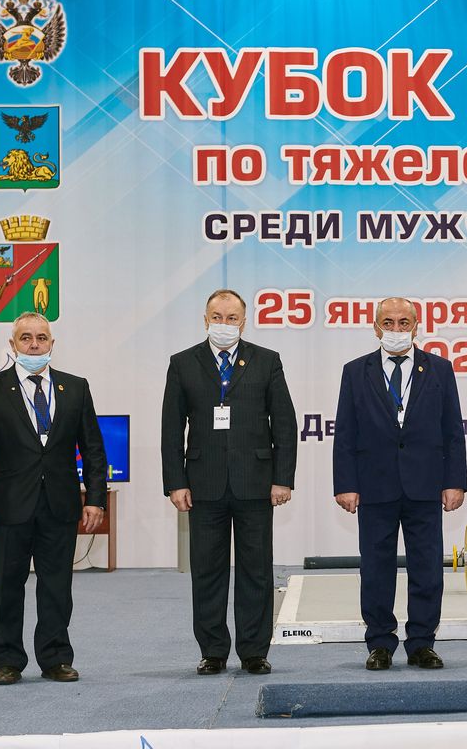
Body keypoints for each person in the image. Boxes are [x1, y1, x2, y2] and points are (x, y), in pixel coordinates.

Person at [0, 311, 107, 686]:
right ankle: (6, 660)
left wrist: (96, 499)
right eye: (26, 338)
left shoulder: (76, 388)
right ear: (13, 344)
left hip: (60, 505)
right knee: (7, 586)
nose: (34, 344)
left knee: (57, 587)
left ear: (52, 344)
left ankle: (56, 658)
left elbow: (93, 449)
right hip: (7, 508)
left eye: (41, 338)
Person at [161, 289, 298, 676]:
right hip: (202, 485)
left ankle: (254, 651)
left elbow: (284, 424)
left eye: (232, 317)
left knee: (257, 570)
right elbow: (171, 428)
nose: (224, 323)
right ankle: (213, 651)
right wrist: (175, 482)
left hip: (256, 483)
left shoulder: (267, 361)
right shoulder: (182, 363)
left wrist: (282, 479)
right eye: (217, 317)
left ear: (244, 321)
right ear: (206, 320)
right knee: (207, 571)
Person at [332, 297, 467, 671]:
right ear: (376, 327)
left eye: (403, 322)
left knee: (427, 568)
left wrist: (455, 481)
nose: (396, 329)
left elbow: (453, 430)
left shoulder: (439, 369)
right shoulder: (355, 371)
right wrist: (345, 483)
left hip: (425, 484)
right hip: (374, 484)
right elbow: (344, 432)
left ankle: (422, 642)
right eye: (388, 323)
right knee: (376, 568)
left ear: (416, 326)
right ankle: (380, 642)